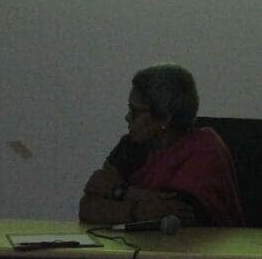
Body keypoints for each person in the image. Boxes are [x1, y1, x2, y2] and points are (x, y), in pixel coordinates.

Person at [80, 64, 245, 227]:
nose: (127, 117)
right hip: (139, 243)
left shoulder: (205, 149)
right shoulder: (132, 145)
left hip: (202, 243)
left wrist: (120, 192)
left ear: (165, 118)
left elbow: (172, 215)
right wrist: (136, 211)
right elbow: (87, 207)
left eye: (135, 111)